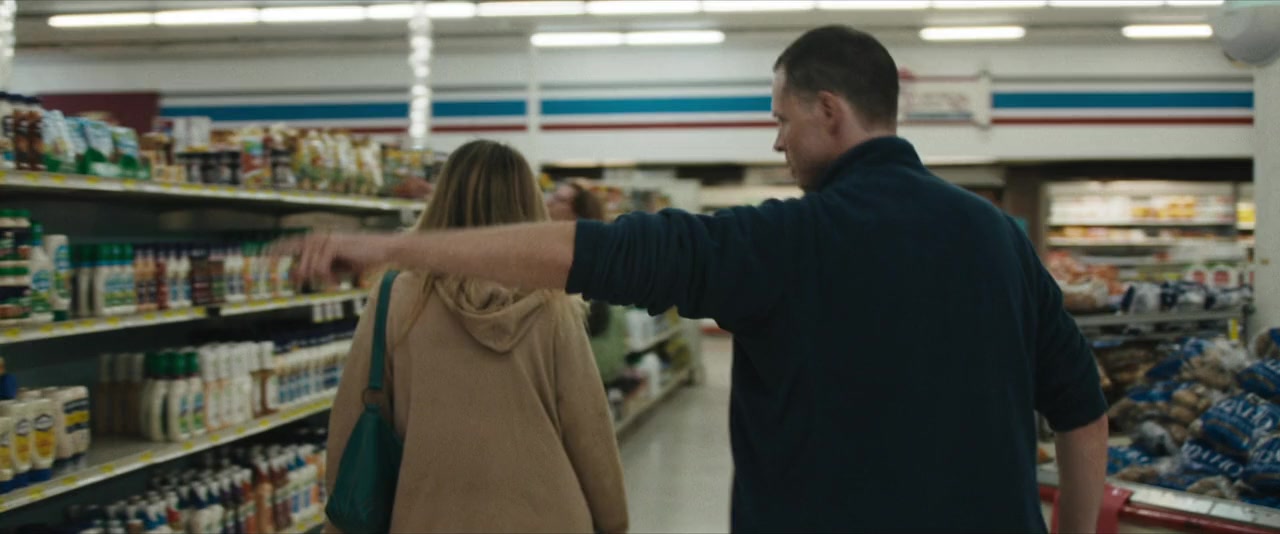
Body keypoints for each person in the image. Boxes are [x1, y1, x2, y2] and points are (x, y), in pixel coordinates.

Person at [286, 26, 1107, 533]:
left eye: (781, 119)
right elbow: (1082, 411)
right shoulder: (999, 239)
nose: (778, 143)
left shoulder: (785, 241)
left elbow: (588, 252)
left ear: (828, 110)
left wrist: (395, 250)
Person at [322, 140, 628, 534]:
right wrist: (614, 520)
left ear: (442, 200)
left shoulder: (396, 298)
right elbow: (588, 428)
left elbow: (353, 417)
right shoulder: (552, 302)